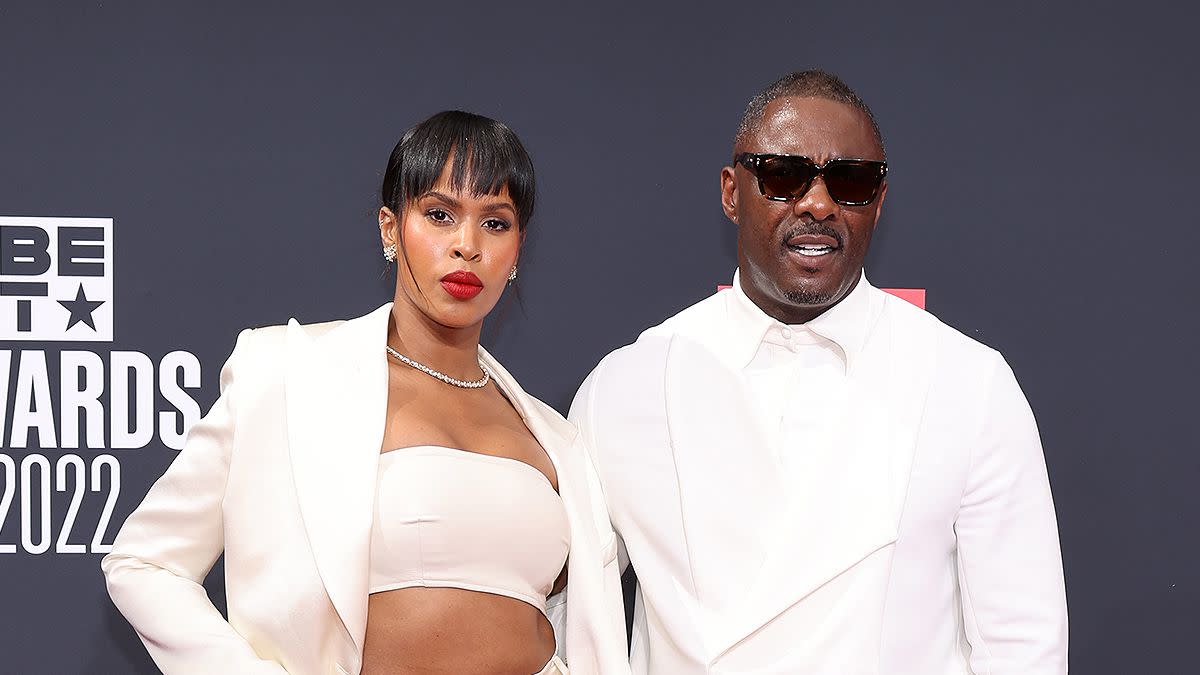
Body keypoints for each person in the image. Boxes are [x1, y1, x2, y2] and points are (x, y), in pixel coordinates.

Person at [569, 71, 1068, 674]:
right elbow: (580, 630)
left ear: (878, 203)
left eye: (851, 182)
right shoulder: (628, 386)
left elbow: (1023, 649)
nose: (817, 203)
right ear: (732, 191)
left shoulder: (969, 384)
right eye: (783, 175)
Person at [102, 110, 629, 675]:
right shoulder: (287, 375)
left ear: (519, 248)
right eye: (439, 214)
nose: (467, 246)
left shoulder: (555, 438)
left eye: (495, 223)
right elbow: (146, 564)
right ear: (389, 227)